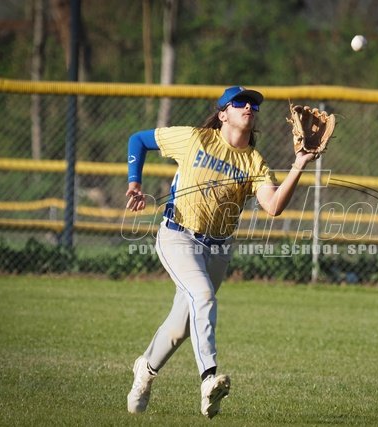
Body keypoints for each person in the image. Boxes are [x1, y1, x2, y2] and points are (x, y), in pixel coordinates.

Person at [124, 86, 318, 418]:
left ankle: (145, 370)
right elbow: (138, 140)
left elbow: (273, 206)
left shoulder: (254, 161)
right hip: (178, 236)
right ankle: (208, 379)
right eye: (240, 102)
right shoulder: (195, 139)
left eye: (253, 104)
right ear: (223, 113)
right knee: (203, 296)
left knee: (180, 328)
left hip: (218, 248)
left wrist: (299, 163)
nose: (249, 107)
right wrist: (134, 183)